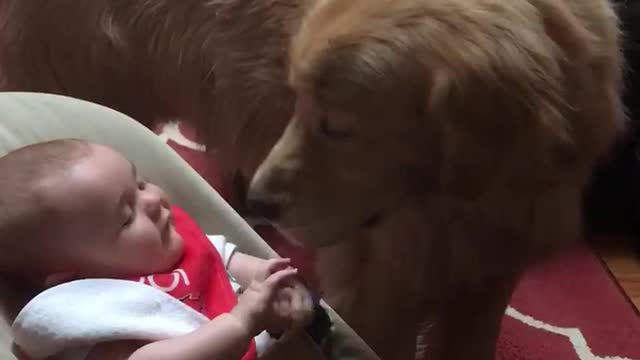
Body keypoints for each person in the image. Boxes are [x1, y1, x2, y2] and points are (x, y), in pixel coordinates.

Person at [0, 139, 315, 360]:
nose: (152, 201)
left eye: (140, 184)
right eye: (126, 218)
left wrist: (276, 284)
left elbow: (230, 259)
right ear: (73, 279)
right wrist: (238, 324)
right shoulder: (98, 316)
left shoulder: (169, 237)